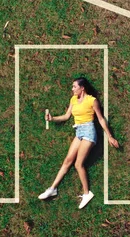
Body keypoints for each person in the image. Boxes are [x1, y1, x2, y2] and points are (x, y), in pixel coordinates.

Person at [38, 77, 120, 209]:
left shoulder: (91, 101)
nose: (72, 89)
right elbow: (66, 116)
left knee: (78, 164)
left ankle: (87, 193)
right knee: (67, 160)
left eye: (74, 87)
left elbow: (100, 119)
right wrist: (52, 118)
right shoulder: (73, 100)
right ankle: (52, 189)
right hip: (79, 131)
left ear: (82, 88)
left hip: (89, 132)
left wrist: (109, 136)